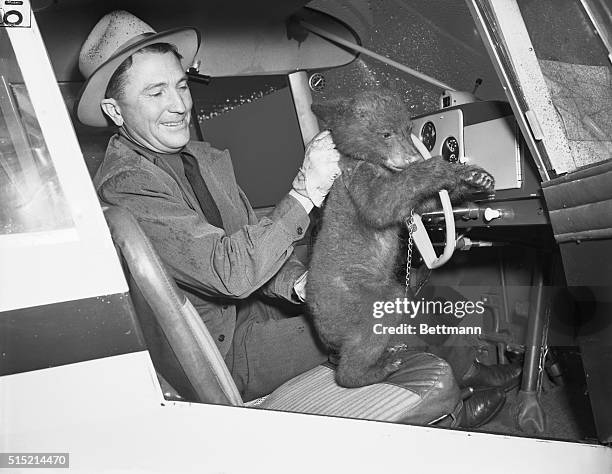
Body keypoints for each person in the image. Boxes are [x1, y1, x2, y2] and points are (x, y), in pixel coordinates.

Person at [76, 10, 519, 427]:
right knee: (391, 316)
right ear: (115, 112)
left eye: (182, 86)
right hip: (231, 350)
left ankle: (469, 370)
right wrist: (305, 190)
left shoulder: (203, 158)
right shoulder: (128, 185)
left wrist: (300, 285)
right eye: (156, 93)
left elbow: (253, 245)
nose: (179, 106)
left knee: (406, 297)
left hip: (255, 316)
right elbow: (231, 272)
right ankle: (453, 408)